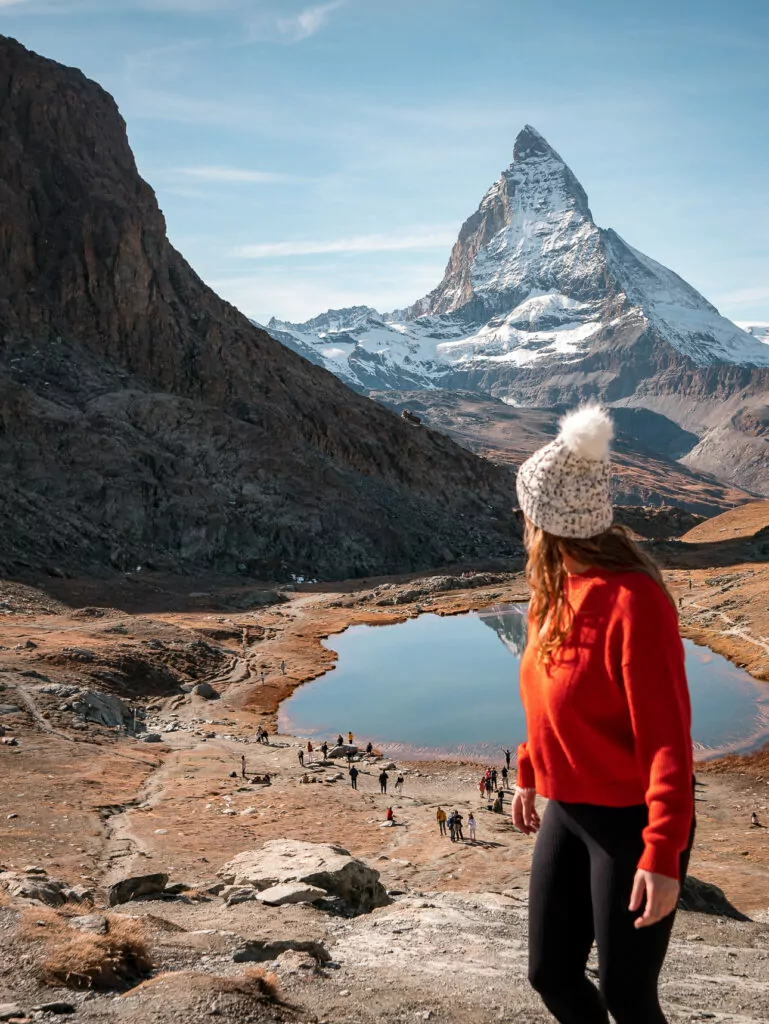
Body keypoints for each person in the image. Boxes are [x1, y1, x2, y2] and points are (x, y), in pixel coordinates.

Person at [512, 405, 695, 1024]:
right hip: (569, 807)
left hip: (631, 819)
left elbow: (668, 740)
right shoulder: (551, 589)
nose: (522, 523)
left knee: (627, 995)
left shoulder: (634, 602)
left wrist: (662, 854)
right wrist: (531, 770)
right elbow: (545, 693)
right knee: (551, 974)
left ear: (550, 522)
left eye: (527, 512)